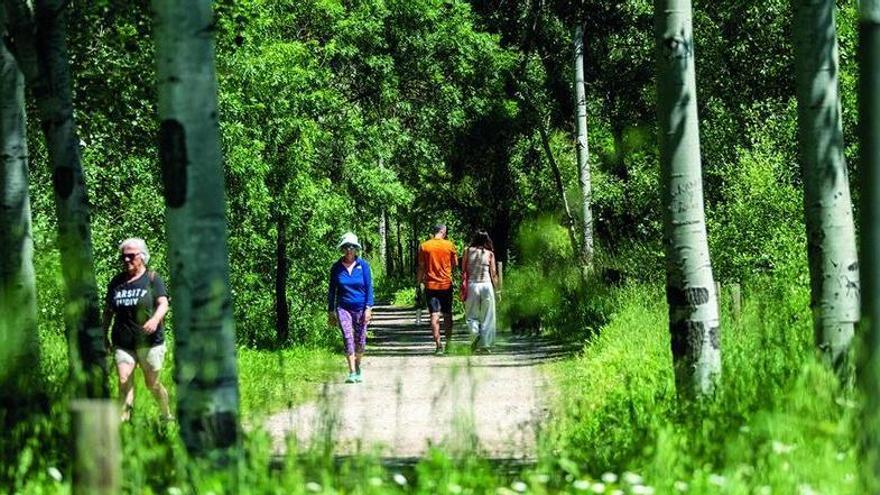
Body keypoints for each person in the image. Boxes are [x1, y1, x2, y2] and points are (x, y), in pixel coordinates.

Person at [103, 238, 172, 422]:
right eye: (123, 257)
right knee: (124, 380)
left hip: (149, 342)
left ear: (142, 257)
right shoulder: (117, 282)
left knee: (152, 384)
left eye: (131, 256)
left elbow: (163, 303)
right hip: (123, 342)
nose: (126, 260)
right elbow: (108, 311)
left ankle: (166, 415)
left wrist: (155, 319)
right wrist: (104, 334)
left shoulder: (152, 279)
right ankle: (124, 421)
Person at [327, 232, 374, 383]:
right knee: (348, 338)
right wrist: (331, 311)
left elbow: (369, 288)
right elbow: (332, 290)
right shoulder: (336, 268)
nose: (349, 250)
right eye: (346, 247)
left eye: (352, 247)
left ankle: (358, 364)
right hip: (343, 308)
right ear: (342, 249)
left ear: (356, 249)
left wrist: (368, 308)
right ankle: (352, 372)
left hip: (361, 308)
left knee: (360, 341)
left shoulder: (363, 266)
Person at [417, 224, 458, 355]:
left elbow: (421, 267)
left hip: (430, 285)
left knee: (434, 315)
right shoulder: (450, 245)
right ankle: (449, 344)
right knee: (447, 314)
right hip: (446, 284)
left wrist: (418, 283)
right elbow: (455, 264)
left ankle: (438, 345)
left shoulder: (424, 246)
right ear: (443, 232)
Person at [462, 230, 499, 353]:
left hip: (473, 285)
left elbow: (464, 270)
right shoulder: (490, 254)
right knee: (488, 316)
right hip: (487, 285)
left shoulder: (467, 251)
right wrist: (498, 290)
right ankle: (485, 344)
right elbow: (493, 274)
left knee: (471, 315)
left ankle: (475, 334)